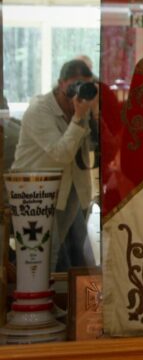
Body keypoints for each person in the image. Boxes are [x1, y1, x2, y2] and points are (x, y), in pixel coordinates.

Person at [12, 58, 98, 272]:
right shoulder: (39, 110)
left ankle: (49, 301)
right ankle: (32, 300)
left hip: (68, 188)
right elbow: (61, 153)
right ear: (61, 84)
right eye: (75, 84)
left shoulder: (83, 108)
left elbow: (100, 146)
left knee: (54, 250)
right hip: (33, 191)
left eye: (85, 84)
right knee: (40, 253)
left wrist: (95, 113)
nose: (80, 91)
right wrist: (79, 117)